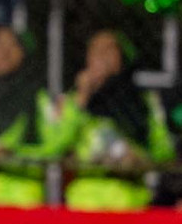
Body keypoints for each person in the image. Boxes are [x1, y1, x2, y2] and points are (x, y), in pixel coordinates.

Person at [60, 30, 174, 211]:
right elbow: (58, 145)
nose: (101, 56)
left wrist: (139, 158)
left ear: (122, 57)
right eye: (95, 50)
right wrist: (82, 98)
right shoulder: (72, 101)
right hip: (83, 201)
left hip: (129, 200)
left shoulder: (144, 101)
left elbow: (165, 150)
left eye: (109, 49)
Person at [0, 26, 68, 207]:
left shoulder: (39, 97)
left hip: (23, 197)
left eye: (12, 46)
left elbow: (55, 144)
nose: (3, 53)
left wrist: (15, 155)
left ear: (24, 53)